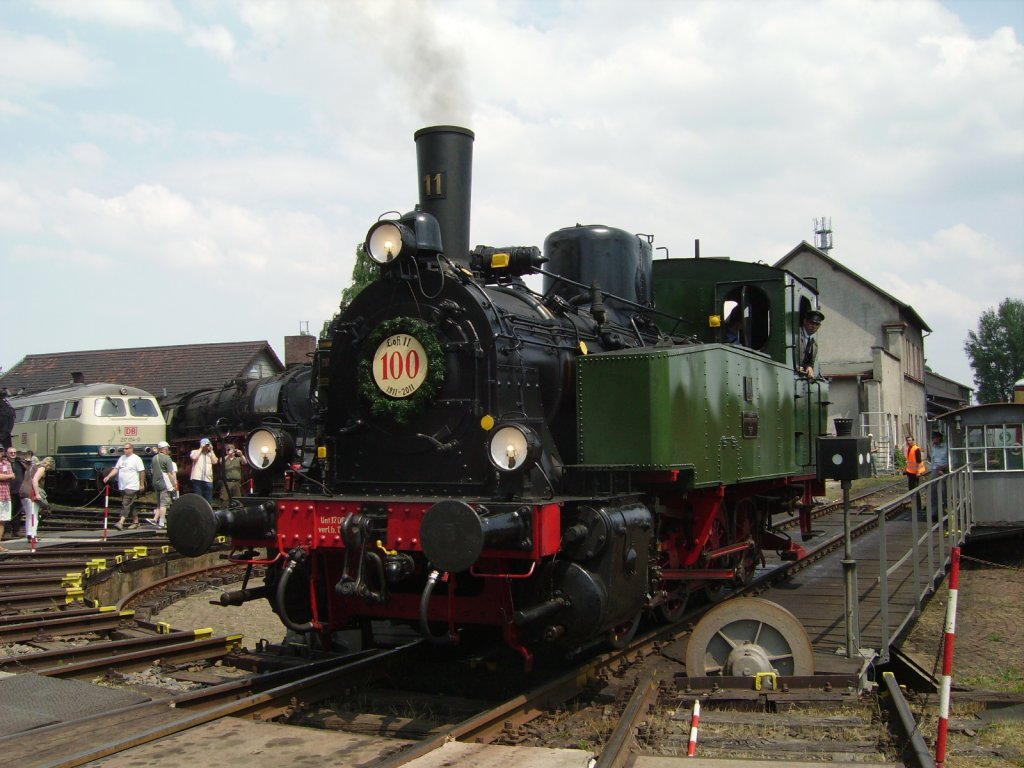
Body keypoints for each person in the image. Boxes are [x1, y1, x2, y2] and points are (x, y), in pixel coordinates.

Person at [103, 443, 146, 530]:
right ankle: (136, 522)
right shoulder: (122, 458)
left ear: (131, 449)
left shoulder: (136, 459)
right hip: (122, 486)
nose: (124, 450)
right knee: (131, 504)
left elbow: (142, 472)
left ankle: (121, 522)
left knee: (125, 503)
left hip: (132, 486)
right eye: (124, 449)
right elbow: (116, 469)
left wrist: (141, 484)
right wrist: (108, 476)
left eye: (126, 448)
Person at [21, 455, 54, 543]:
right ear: (49, 464)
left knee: (29, 515)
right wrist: (37, 493)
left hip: (23, 491)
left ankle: (29, 535)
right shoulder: (41, 468)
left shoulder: (32, 466)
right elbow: (35, 480)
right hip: (30, 493)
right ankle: (33, 536)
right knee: (34, 516)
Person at [150, 441, 176, 528]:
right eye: (167, 448)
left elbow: (152, 470)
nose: (168, 450)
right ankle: (161, 522)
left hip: (155, 483)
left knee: (159, 503)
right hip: (164, 483)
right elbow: (170, 473)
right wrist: (174, 484)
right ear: (165, 449)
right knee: (164, 504)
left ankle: (156, 520)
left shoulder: (154, 458)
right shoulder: (167, 459)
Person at [190, 438, 218, 504]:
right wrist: (200, 448)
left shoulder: (210, 454)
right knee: (198, 499)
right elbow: (194, 457)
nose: (206, 446)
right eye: (205, 445)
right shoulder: (194, 452)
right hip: (197, 479)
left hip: (208, 480)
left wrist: (212, 451)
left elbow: (215, 461)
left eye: (208, 445)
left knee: (208, 499)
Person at [796, 309, 824, 378]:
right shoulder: (794, 335)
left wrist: (809, 367)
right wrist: (795, 367)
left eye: (816, 324)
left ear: (819, 326)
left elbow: (810, 363)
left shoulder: (814, 345)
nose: (813, 326)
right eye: (811, 323)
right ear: (805, 321)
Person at [0, 450, 14, 552]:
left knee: (2, 522)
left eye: (1, 450)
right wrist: (7, 476)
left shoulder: (7, 463)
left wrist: (6, 476)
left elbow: (13, 476)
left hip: (5, 495)